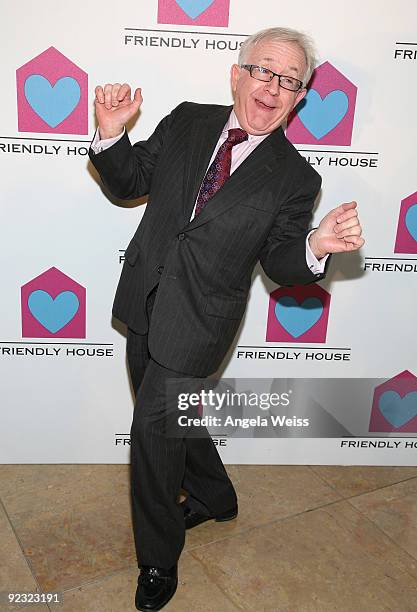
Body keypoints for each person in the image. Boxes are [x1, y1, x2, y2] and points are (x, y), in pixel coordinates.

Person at [89, 26, 364, 611]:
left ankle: (158, 562)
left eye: (288, 81)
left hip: (199, 324)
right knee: (173, 417)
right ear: (237, 73)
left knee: (154, 439)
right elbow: (131, 181)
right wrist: (112, 137)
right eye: (264, 71)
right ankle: (217, 495)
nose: (272, 87)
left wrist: (316, 244)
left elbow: (283, 260)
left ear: (299, 98)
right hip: (144, 297)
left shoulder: (296, 178)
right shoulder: (189, 119)